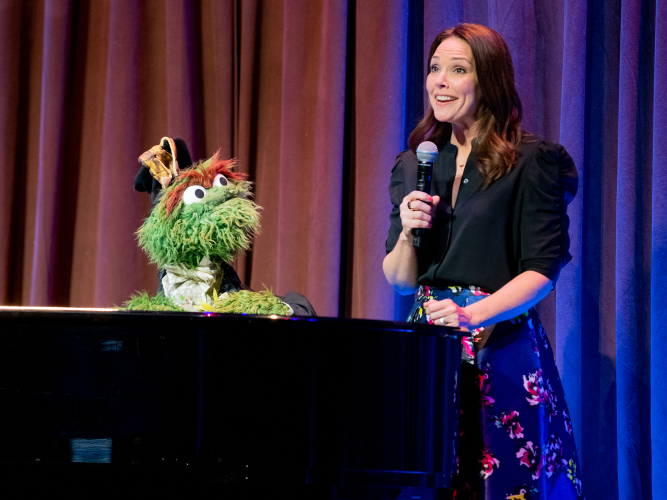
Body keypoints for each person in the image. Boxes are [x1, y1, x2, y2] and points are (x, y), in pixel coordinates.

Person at [384, 24, 583, 499]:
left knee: (502, 485)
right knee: (427, 479)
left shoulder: (531, 160)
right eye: (435, 69)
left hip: (499, 342)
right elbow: (399, 280)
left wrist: (471, 315)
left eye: (458, 70)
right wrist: (409, 233)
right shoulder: (415, 164)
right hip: (429, 346)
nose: (441, 82)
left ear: (489, 80)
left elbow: (542, 271)